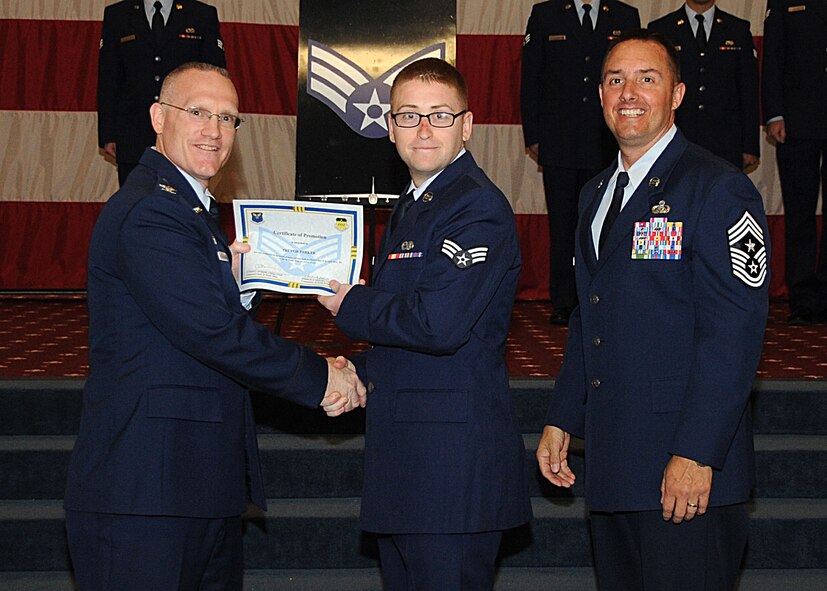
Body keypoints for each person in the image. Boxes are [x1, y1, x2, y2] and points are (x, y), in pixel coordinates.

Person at [65, 62, 366, 591]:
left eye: (228, 118)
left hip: (193, 486)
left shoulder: (188, 210)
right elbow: (212, 334)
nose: (214, 130)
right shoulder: (150, 211)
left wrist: (236, 288)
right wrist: (321, 377)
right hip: (146, 494)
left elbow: (191, 322)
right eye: (198, 112)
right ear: (159, 118)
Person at [536, 30, 769, 590]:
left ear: (677, 94)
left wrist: (697, 452)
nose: (629, 93)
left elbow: (733, 334)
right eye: (615, 80)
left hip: (686, 472)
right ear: (599, 95)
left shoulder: (718, 188)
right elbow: (589, 317)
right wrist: (564, 415)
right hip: (615, 466)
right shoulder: (594, 195)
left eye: (647, 79)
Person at [318, 58, 532, 589]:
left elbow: (439, 325)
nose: (424, 129)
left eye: (440, 115)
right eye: (409, 115)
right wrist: (359, 372)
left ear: (467, 124)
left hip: (451, 473)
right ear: (390, 127)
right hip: (408, 466)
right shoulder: (414, 206)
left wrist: (352, 304)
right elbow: (409, 335)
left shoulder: (476, 206)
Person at [521, 0, 640, 324]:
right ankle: (564, 301)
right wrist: (533, 134)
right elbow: (531, 77)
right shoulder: (545, 14)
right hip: (559, 140)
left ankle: (607, 297)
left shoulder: (624, 15)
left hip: (608, 140)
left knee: (609, 224)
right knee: (563, 225)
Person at [98, 0, 226, 186]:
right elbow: (108, 79)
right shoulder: (118, 15)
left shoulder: (201, 14)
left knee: (185, 197)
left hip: (186, 131)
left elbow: (215, 79)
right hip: (133, 132)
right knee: (135, 197)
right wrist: (108, 134)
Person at [762, 0, 827, 325]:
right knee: (799, 213)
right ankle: (803, 299)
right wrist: (774, 113)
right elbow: (773, 56)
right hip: (797, 121)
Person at [649, 0, 760, 171]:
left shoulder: (737, 29)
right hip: (676, 137)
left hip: (725, 141)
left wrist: (750, 145)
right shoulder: (662, 29)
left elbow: (748, 90)